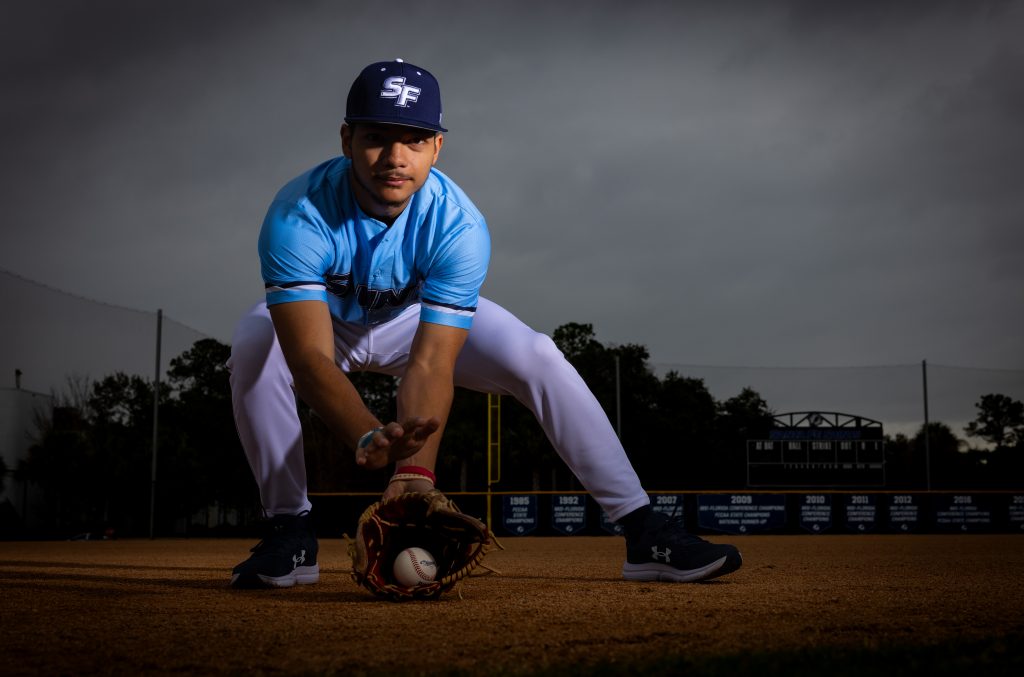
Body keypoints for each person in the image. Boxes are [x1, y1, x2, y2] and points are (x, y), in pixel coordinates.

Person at [227, 59, 742, 589]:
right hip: (328, 325)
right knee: (253, 345)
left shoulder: (459, 224)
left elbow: (430, 361)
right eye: (377, 137)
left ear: (437, 148)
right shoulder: (298, 214)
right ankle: (291, 530)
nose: (395, 157)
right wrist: (367, 430)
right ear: (347, 138)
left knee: (537, 355)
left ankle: (643, 527)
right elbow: (309, 358)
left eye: (415, 139)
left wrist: (413, 474)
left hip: (413, 323)